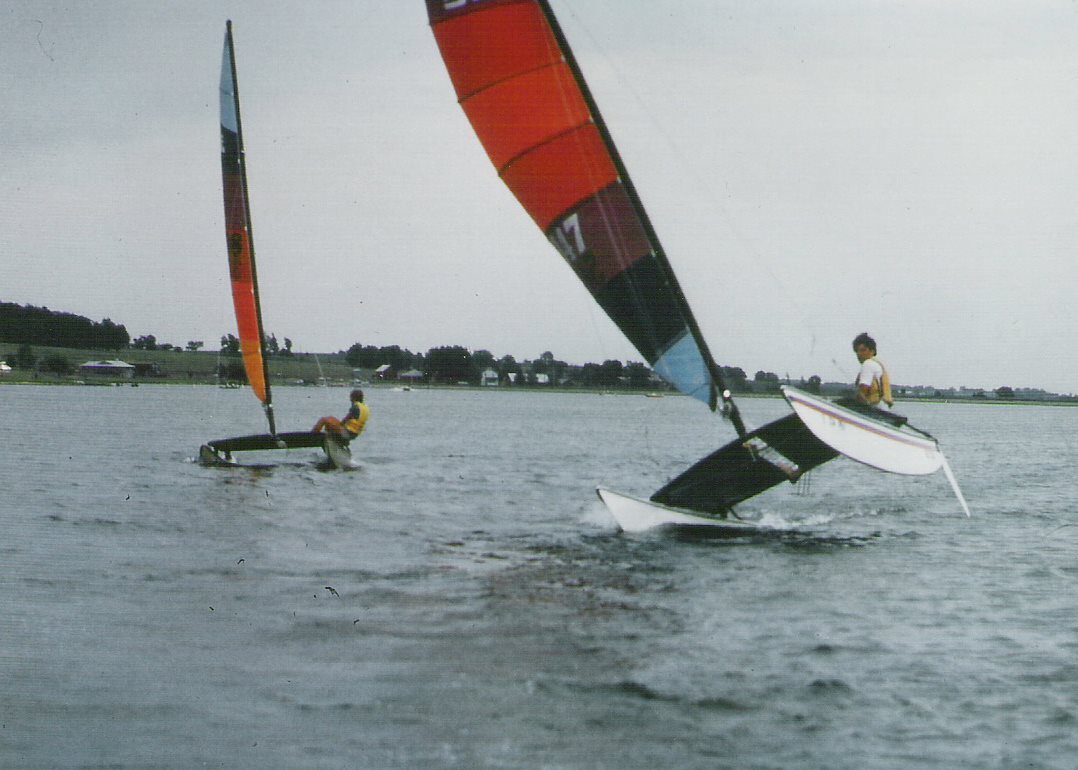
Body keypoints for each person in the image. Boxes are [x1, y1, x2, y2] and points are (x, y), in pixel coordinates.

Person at [852, 332, 894, 408]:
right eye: (857, 351)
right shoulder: (877, 364)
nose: (859, 354)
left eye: (863, 350)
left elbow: (863, 392)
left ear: (872, 351)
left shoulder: (868, 364)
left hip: (874, 410)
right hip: (883, 410)